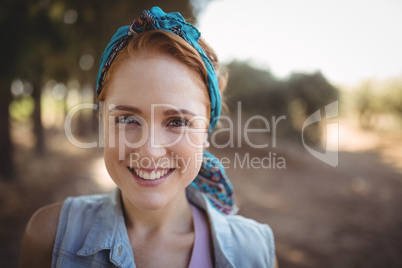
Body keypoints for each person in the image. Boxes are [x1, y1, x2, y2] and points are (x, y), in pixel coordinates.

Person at [20, 6, 277, 268]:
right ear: (103, 124)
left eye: (177, 122)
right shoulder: (50, 238)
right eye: (128, 119)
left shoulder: (256, 252)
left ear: (205, 133)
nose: (150, 151)